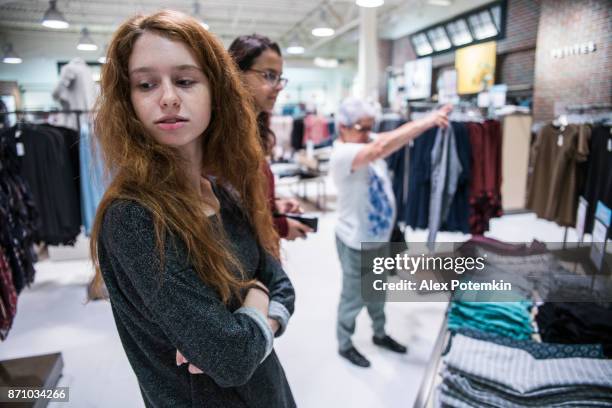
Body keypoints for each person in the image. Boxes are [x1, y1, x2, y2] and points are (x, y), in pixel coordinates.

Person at [89, 10, 296, 407]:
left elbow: (282, 285)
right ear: (128, 101)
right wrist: (257, 294)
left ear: (215, 91)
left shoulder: (222, 194)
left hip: (269, 391)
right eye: (147, 84)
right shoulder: (135, 216)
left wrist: (256, 316)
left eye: (185, 81)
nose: (168, 97)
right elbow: (233, 359)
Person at [330, 97, 451, 367]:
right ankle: (345, 343)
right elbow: (381, 146)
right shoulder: (343, 154)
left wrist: (426, 123)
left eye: (370, 127)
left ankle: (380, 333)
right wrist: (428, 120)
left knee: (378, 290)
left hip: (379, 239)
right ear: (343, 127)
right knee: (354, 295)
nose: (367, 134)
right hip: (355, 241)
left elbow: (385, 139)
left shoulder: (363, 139)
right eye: (361, 128)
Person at [228, 34, 313, 241]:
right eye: (268, 75)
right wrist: (281, 225)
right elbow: (228, 217)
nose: (278, 86)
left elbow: (247, 197)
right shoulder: (224, 137)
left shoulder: (255, 130)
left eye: (279, 77)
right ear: (236, 73)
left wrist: (274, 204)